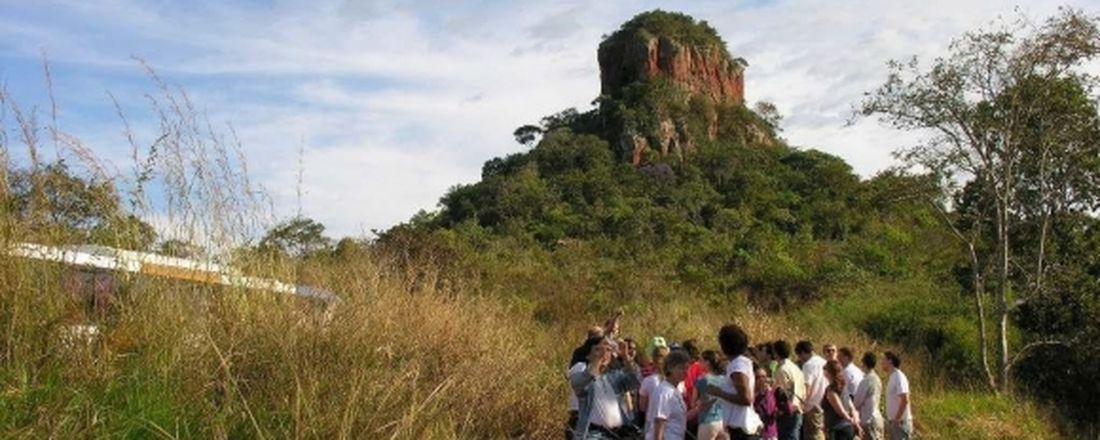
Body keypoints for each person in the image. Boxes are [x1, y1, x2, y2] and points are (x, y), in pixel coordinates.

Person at [571, 338, 641, 439]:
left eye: (608, 350)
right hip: (592, 434)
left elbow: (635, 381)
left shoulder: (613, 376)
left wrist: (626, 357)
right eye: (598, 350)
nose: (604, 354)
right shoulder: (581, 373)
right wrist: (597, 361)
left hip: (616, 434)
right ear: (588, 355)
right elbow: (580, 382)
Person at [707, 324, 763, 440]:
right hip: (739, 427)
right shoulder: (740, 362)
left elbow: (746, 399)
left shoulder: (737, 366)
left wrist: (719, 392)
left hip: (741, 429)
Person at [646, 351, 716, 440]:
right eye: (681, 368)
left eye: (687, 368)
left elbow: (680, 418)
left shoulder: (675, 390)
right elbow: (659, 423)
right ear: (670, 368)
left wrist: (699, 408)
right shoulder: (664, 392)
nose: (685, 372)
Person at [771, 340, 804, 440]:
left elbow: (781, 392)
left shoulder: (782, 370)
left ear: (776, 353)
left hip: (787, 411)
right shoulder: (795, 368)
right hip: (798, 408)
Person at [823, 360, 862, 440]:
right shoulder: (844, 387)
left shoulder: (831, 390)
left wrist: (851, 420)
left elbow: (841, 412)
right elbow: (851, 407)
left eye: (825, 368)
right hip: (847, 428)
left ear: (828, 372)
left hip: (837, 430)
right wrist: (856, 424)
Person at [796, 340, 827, 440]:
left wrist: (801, 404)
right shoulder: (824, 362)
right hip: (824, 403)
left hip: (812, 406)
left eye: (799, 356)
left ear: (803, 353)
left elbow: (807, 387)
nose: (800, 359)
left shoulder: (808, 365)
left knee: (813, 435)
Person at [695, 351, 729, 440]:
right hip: (722, 420)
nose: (699, 362)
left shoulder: (702, 379)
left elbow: (693, 402)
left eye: (701, 360)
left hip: (707, 421)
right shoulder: (724, 379)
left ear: (707, 362)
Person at [853, 352, 885, 440]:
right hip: (878, 418)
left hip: (869, 421)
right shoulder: (877, 379)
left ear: (864, 363)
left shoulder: (866, 381)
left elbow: (857, 402)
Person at [883, 351, 913, 440]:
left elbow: (905, 399)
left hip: (900, 423)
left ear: (890, 361)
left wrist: (896, 420)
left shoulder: (899, 377)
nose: (881, 362)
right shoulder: (893, 376)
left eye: (884, 359)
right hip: (896, 423)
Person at [640, 345, 672, 428]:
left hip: (652, 426)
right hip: (673, 427)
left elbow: (642, 407)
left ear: (653, 360)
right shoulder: (677, 382)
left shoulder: (647, 381)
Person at [753, 365, 779, 440]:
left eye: (763, 377)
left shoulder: (771, 393)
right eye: (758, 377)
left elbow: (769, 410)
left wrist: (767, 392)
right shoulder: (751, 394)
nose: (761, 379)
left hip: (770, 432)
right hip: (756, 432)